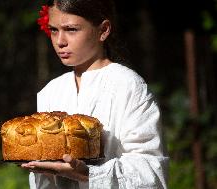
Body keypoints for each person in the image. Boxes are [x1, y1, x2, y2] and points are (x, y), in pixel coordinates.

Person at [21, 0, 169, 188]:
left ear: (103, 30)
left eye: (72, 29)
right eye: (54, 30)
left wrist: (88, 174)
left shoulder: (128, 86)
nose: (60, 41)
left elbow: (151, 173)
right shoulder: (52, 91)